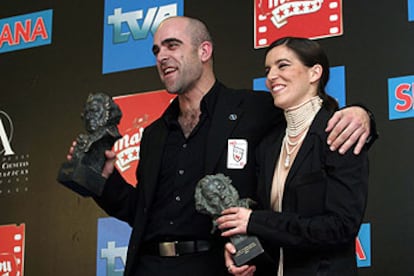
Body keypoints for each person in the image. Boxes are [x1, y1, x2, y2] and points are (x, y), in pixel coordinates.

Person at [66, 17, 376, 276]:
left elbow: (309, 113)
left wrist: (363, 114)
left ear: (204, 51)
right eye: (156, 49)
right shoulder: (154, 133)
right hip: (150, 266)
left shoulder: (257, 109)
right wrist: (106, 181)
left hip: (218, 266)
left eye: (173, 46)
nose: (161, 56)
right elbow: (143, 212)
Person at [218, 37, 369, 276]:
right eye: (268, 69)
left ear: (314, 73)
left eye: (283, 65)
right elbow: (272, 227)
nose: (271, 76)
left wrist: (254, 221)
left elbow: (340, 227)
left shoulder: (340, 133)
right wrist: (243, 251)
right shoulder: (269, 145)